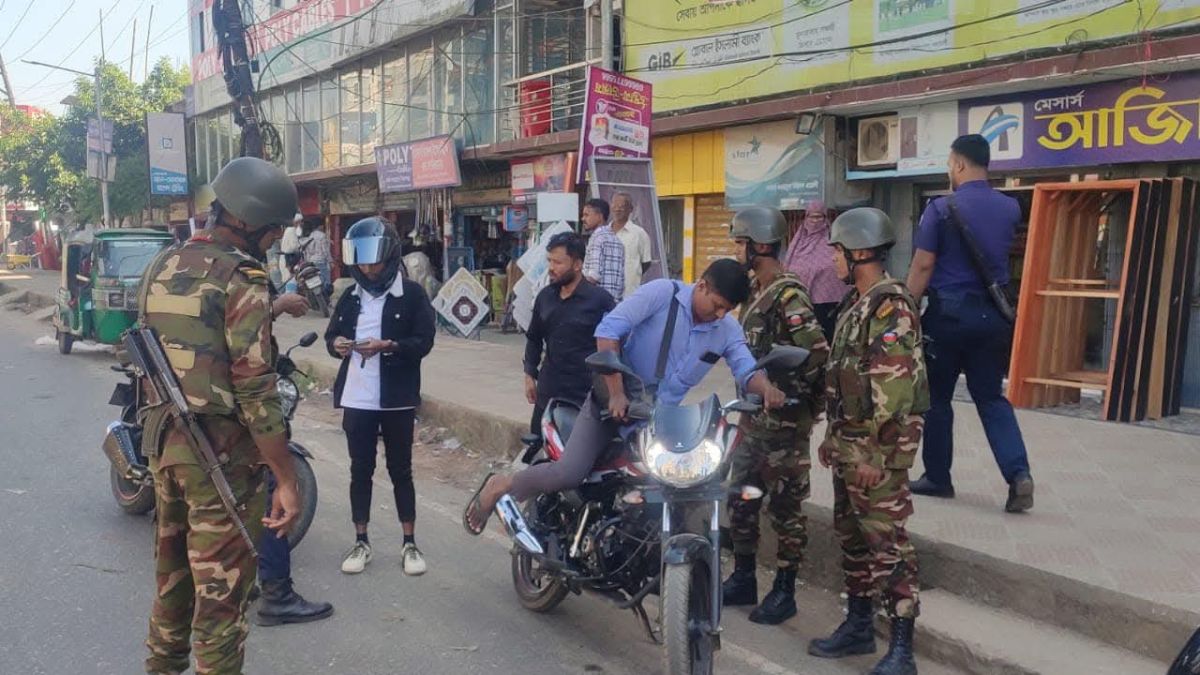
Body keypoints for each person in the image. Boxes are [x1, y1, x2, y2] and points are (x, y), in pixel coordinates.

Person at [463, 258, 788, 534]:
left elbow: (747, 369)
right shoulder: (662, 294)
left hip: (660, 420)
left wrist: (767, 388)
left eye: (727, 310)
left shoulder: (727, 330)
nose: (720, 315)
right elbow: (608, 332)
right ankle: (501, 486)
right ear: (702, 285)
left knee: (682, 485)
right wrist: (617, 394)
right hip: (612, 404)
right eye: (717, 305)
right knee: (570, 473)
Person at [137, 157, 305, 675]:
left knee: (172, 583)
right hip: (221, 461)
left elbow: (173, 343)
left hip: (166, 450)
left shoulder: (163, 264)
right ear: (253, 222)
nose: (277, 239)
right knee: (221, 603)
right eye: (276, 230)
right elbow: (255, 388)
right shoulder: (243, 276)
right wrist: (286, 476)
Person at [807, 207, 928, 675]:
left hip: (875, 453)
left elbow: (894, 389)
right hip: (851, 447)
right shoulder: (857, 304)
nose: (832, 260)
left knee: (888, 545)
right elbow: (847, 381)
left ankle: (902, 649)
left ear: (858, 252)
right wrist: (832, 437)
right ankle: (858, 626)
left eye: (836, 251)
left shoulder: (888, 306)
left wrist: (877, 454)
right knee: (853, 539)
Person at [905, 133, 1034, 513]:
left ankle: (938, 478)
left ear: (958, 164)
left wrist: (906, 307)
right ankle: (1018, 474)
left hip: (947, 317)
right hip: (992, 317)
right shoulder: (1010, 208)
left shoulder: (940, 209)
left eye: (949, 163)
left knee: (938, 400)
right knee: (991, 398)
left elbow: (923, 264)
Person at [722, 206, 830, 626]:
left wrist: (784, 387)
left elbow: (817, 352)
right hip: (753, 421)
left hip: (784, 424)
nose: (737, 248)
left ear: (760, 245)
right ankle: (744, 576)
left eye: (741, 241)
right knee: (741, 495)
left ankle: (785, 590)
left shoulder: (788, 294)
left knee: (786, 508)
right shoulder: (753, 289)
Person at [325, 217, 437, 577]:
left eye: (373, 260)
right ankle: (361, 541)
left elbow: (424, 343)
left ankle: (410, 543)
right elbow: (331, 336)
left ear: (389, 256)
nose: (367, 268)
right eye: (360, 260)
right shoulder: (350, 295)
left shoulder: (413, 294)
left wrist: (389, 346)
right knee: (361, 470)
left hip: (396, 399)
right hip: (358, 397)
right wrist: (337, 345)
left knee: (400, 470)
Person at [254, 289, 335, 627]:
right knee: (271, 488)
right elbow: (237, 324)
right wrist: (277, 306)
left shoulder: (176, 266)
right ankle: (276, 595)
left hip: (197, 418)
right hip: (233, 413)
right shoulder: (228, 268)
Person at [524, 232, 616, 436]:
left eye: (558, 262)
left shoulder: (600, 301)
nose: (551, 268)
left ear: (577, 264)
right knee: (538, 448)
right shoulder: (545, 297)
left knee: (576, 456)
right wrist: (529, 374)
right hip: (548, 392)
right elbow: (534, 338)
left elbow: (615, 349)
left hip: (584, 396)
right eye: (549, 261)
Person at [783, 199, 849, 341]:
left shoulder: (832, 243)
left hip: (830, 304)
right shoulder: (797, 244)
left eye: (819, 216)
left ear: (825, 218)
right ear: (806, 218)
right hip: (801, 304)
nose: (815, 221)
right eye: (811, 216)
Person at [580, 198, 625, 301]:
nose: (583, 219)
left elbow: (593, 276)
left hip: (596, 303)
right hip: (614, 303)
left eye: (587, 215)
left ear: (600, 217)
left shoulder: (597, 238)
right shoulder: (617, 240)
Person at [610, 191, 653, 298]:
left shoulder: (639, 234)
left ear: (630, 209)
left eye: (621, 206)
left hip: (628, 294)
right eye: (614, 205)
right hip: (605, 293)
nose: (617, 209)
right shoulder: (603, 233)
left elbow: (646, 263)